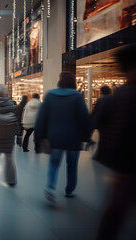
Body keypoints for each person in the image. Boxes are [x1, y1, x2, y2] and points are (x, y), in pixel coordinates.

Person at [95, 45, 136, 240]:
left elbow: (118, 130)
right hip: (127, 166)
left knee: (114, 213)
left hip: (127, 167)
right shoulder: (124, 93)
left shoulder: (124, 93)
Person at [34, 72, 91, 202]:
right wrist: (86, 137)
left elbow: (41, 119)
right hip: (74, 139)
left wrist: (39, 139)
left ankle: (50, 187)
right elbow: (85, 118)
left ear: (59, 81)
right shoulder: (77, 96)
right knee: (72, 165)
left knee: (54, 163)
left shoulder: (49, 96)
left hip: (54, 138)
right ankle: (69, 190)